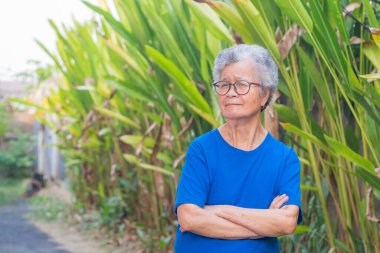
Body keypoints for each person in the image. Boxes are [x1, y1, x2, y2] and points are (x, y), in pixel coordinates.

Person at [173, 44, 302, 253]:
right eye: (224, 85)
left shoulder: (284, 158)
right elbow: (188, 218)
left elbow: (286, 222)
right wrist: (262, 225)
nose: (230, 93)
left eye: (241, 85)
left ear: (264, 94)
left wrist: (221, 210)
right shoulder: (202, 149)